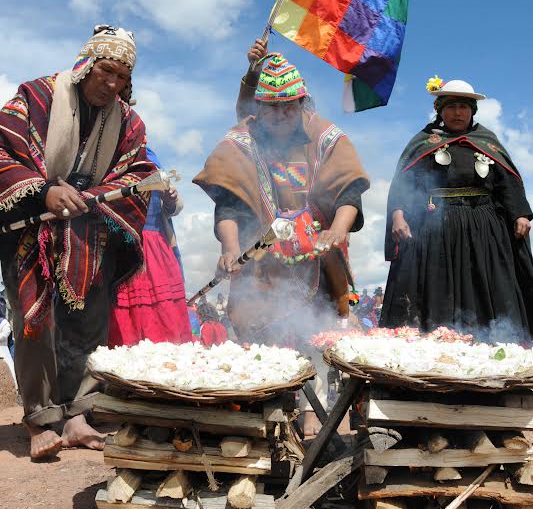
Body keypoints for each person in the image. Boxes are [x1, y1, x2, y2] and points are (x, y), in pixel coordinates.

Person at [193, 40, 369, 433]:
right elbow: (228, 203)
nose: (281, 114)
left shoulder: (325, 137)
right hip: (262, 265)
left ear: (302, 104)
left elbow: (348, 193)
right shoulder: (240, 141)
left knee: (318, 334)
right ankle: (268, 416)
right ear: (259, 108)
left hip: (321, 261)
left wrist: (336, 234)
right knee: (263, 339)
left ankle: (314, 420)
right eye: (273, 107)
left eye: (290, 106)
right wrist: (231, 248)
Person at [0, 25, 155, 459]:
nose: (113, 85)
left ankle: (77, 415)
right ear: (85, 65)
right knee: (36, 323)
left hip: (90, 233)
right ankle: (40, 418)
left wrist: (97, 199)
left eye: (122, 78)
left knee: (89, 321)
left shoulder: (128, 120)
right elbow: (3, 149)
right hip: (31, 229)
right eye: (105, 72)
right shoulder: (36, 97)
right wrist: (43, 189)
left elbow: (139, 170)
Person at [381, 77, 533, 338]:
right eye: (450, 107)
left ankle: (495, 340)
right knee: (437, 285)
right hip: (435, 227)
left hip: (483, 228)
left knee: (486, 282)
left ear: (472, 111)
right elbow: (404, 182)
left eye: (463, 107)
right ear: (440, 110)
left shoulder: (488, 142)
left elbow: (507, 181)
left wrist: (520, 213)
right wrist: (398, 215)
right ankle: (438, 340)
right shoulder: (424, 143)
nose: (457, 112)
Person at [108, 147, 192, 348]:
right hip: (125, 247)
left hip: (156, 247)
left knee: (166, 319)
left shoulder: (151, 156)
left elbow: (174, 207)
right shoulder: (110, 156)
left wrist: (170, 200)